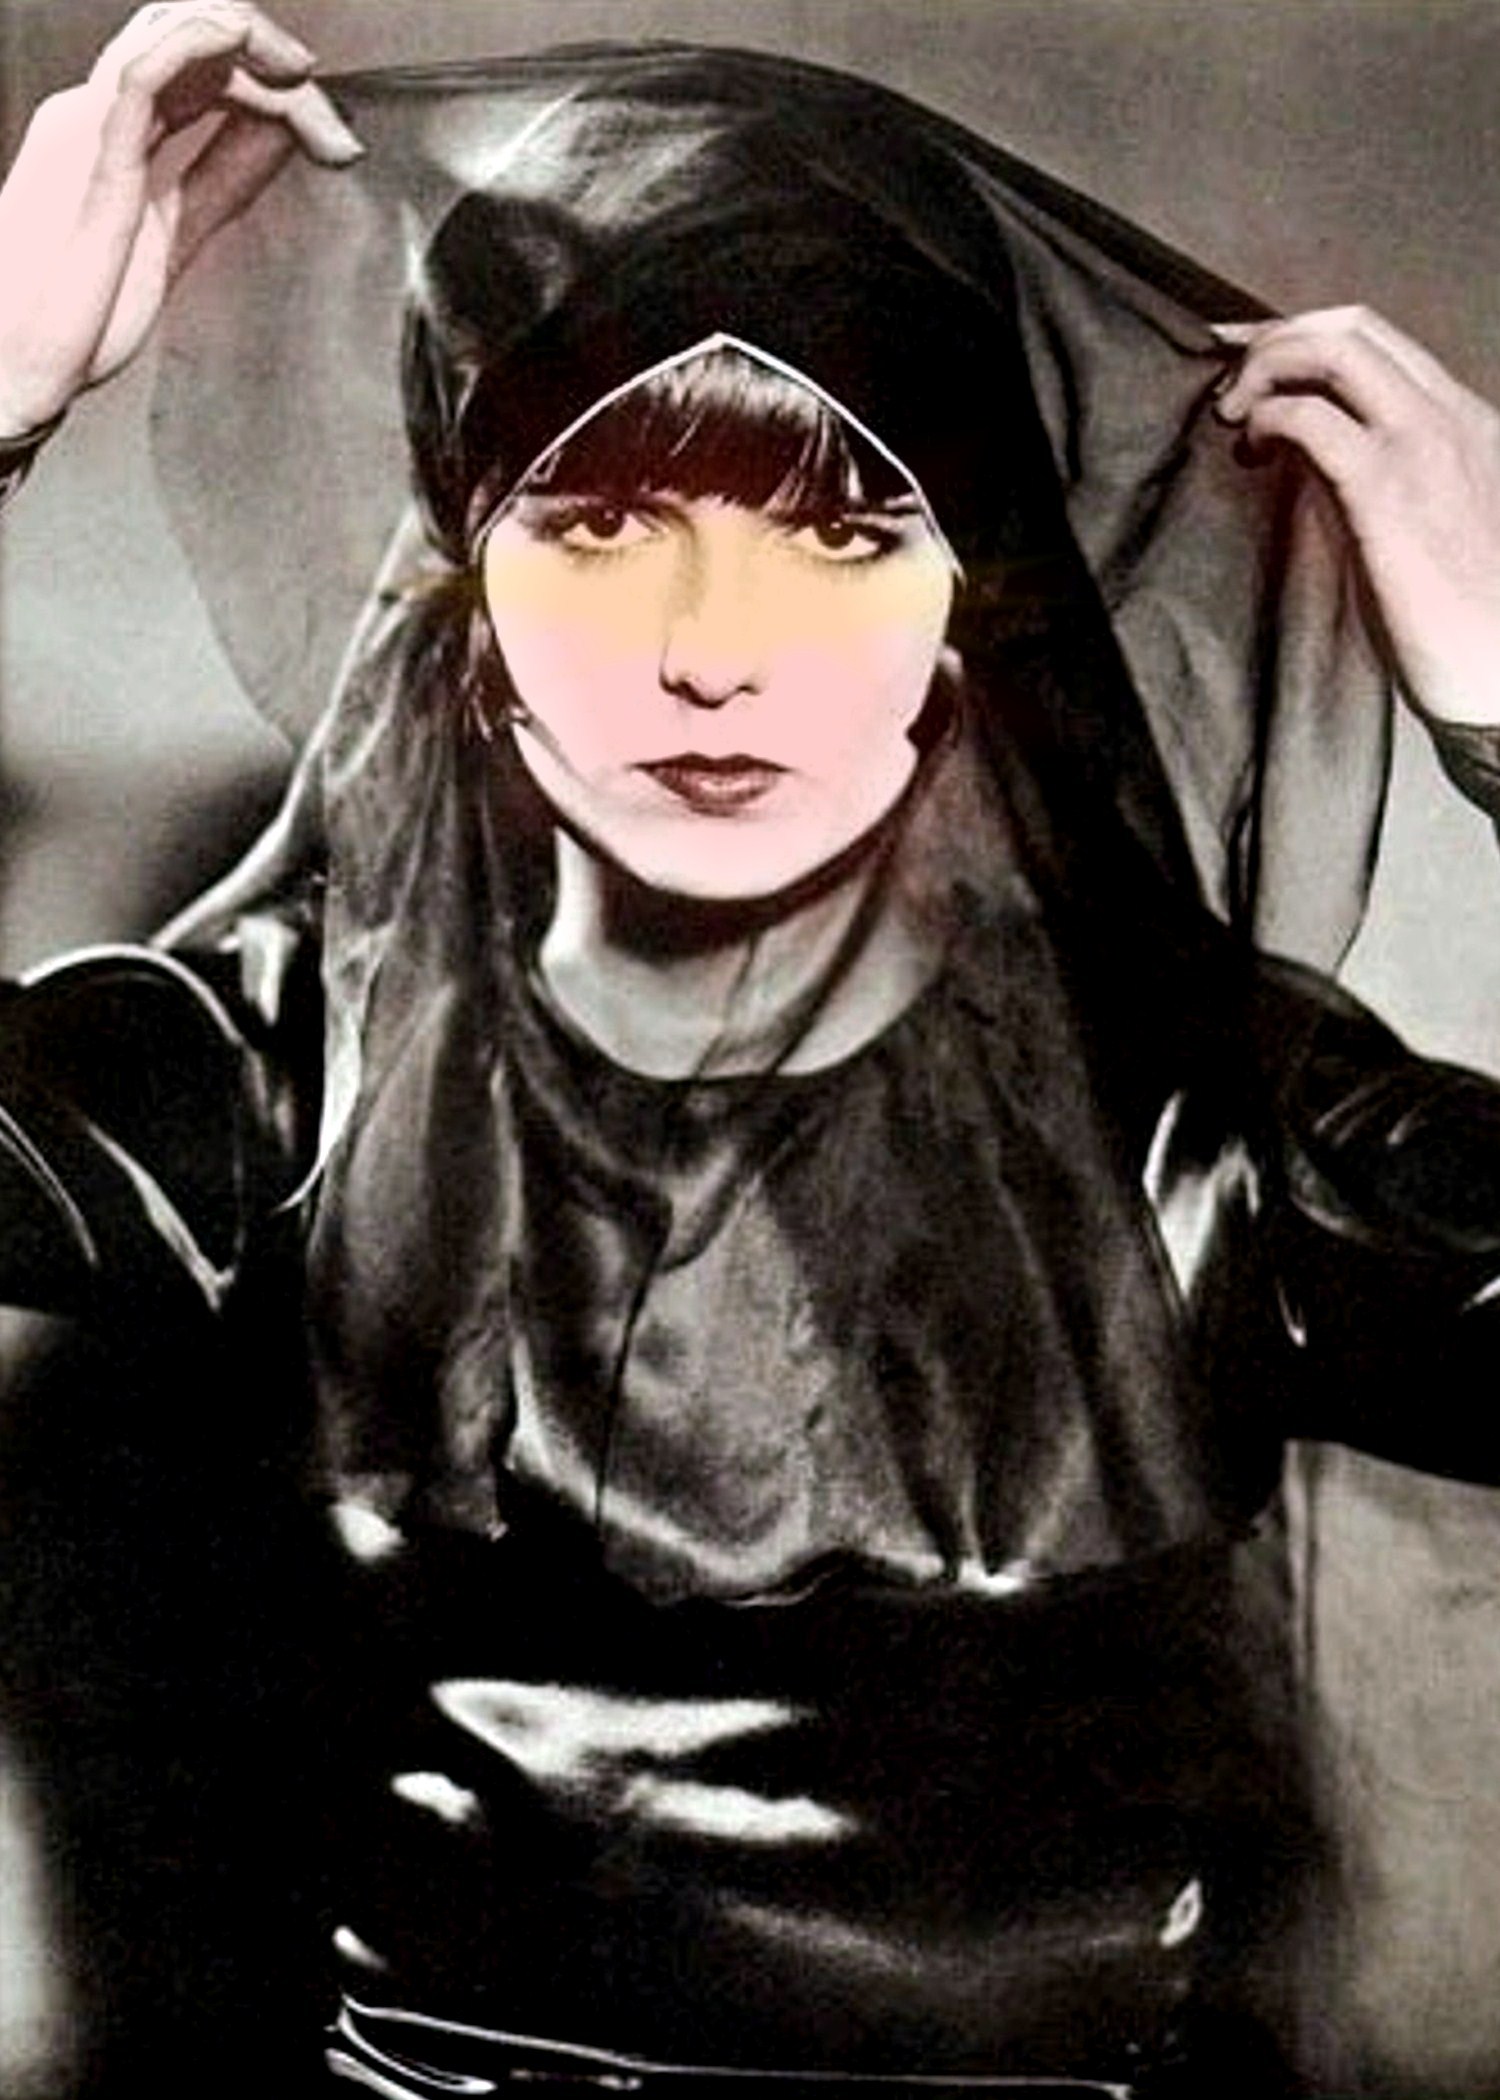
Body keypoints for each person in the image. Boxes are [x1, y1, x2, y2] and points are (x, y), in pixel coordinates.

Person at [5, 6, 1500, 2095]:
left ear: (972, 607)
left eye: (844, 532)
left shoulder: (1200, 1112)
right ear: (467, 599)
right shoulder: (299, 1052)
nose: (715, 653)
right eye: (603, 526)